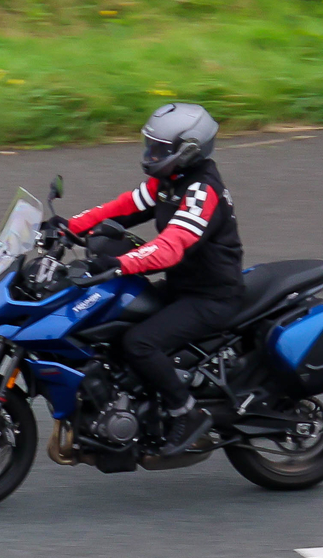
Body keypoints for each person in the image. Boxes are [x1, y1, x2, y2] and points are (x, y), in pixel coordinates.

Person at [53, 101, 244, 453]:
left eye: (160, 148)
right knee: (115, 321)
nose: (151, 153)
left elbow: (171, 247)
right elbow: (125, 206)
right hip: (183, 287)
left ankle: (186, 413)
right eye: (150, 145)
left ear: (187, 151)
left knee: (139, 342)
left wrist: (120, 263)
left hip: (212, 298)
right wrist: (69, 227)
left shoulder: (202, 191)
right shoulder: (170, 182)